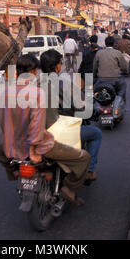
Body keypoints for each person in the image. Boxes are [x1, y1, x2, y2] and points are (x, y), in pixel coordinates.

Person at [0, 55, 90, 206]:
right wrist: (33, 151)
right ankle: (69, 188)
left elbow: (1, 118)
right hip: (38, 147)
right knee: (83, 158)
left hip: (13, 147)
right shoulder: (37, 93)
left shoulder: (3, 93)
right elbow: (37, 126)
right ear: (33, 71)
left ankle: (15, 173)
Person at [41, 49, 102, 182]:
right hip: (60, 131)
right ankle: (89, 171)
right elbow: (83, 107)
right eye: (60, 63)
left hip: (38, 132)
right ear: (57, 66)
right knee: (96, 133)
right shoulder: (63, 84)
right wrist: (96, 111)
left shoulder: (35, 83)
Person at [93, 36, 128, 102]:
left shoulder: (99, 53)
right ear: (114, 44)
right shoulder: (118, 53)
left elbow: (94, 67)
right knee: (123, 87)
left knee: (93, 92)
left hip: (101, 80)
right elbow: (124, 67)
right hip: (116, 80)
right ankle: (121, 102)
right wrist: (126, 72)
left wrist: (94, 75)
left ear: (105, 43)